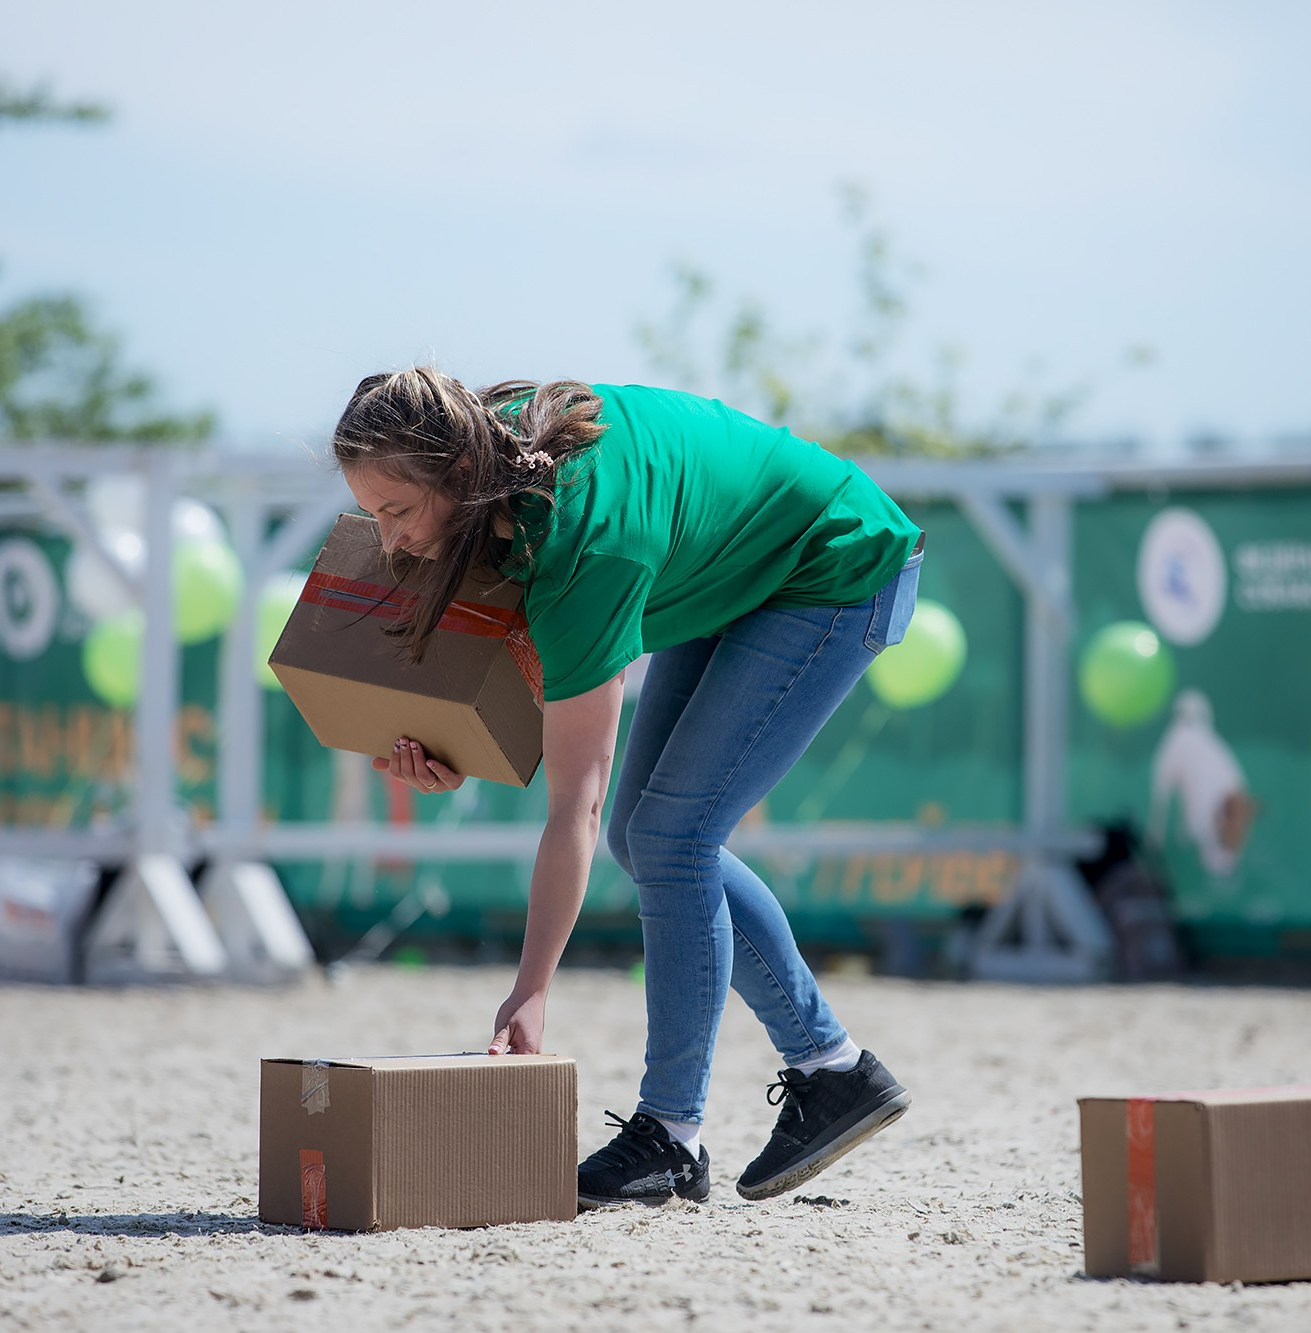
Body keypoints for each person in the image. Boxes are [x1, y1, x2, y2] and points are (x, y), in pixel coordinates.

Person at [332, 368, 921, 1208]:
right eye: (370, 512)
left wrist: (531, 988)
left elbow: (575, 801)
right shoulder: (487, 455)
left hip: (834, 561)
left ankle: (671, 1136)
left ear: (459, 473)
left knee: (673, 838)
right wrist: (446, 743)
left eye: (396, 511)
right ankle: (834, 1069)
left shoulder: (585, 545)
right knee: (650, 837)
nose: (387, 542)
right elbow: (521, 667)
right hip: (733, 568)